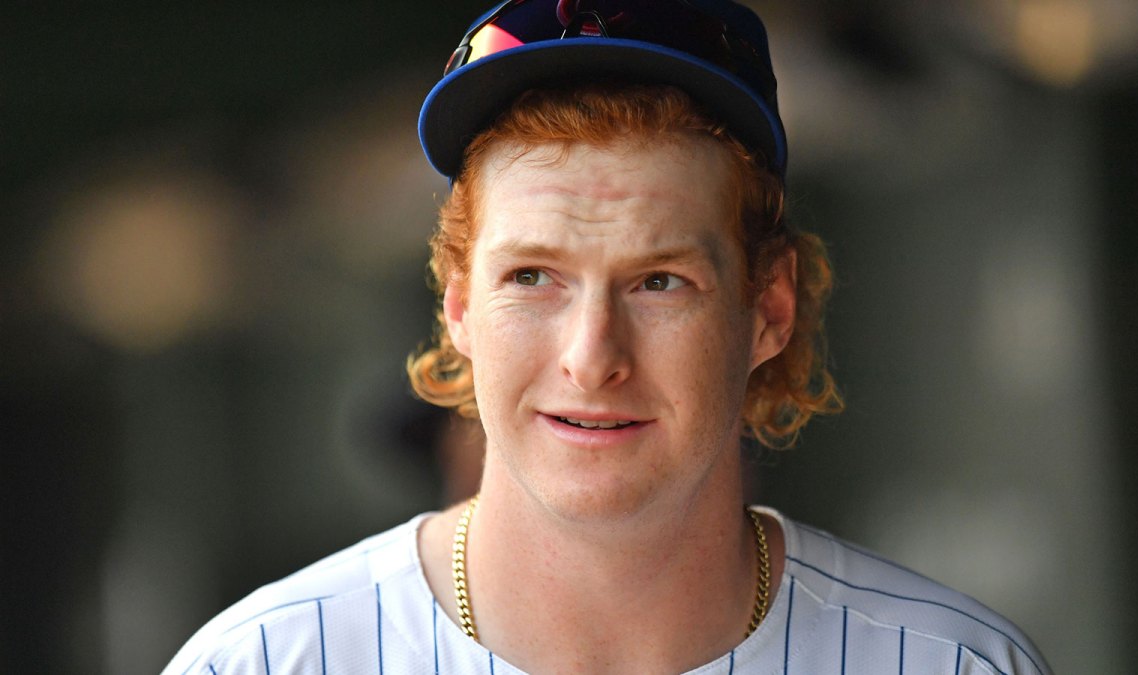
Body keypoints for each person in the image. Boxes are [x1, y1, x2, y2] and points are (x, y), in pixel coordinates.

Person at [165, 1, 1054, 673]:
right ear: (458, 305)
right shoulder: (264, 661)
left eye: (660, 280)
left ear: (769, 309)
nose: (592, 356)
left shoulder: (952, 663)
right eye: (532, 277)